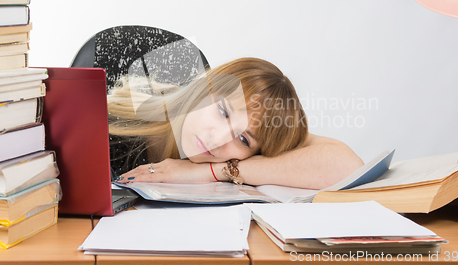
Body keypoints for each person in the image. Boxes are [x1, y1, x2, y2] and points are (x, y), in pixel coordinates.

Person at [109, 57, 363, 189]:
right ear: (206, 86)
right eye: (223, 111)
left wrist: (214, 172)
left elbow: (348, 166)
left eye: (244, 139)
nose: (217, 139)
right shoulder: (113, 120)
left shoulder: (222, 166)